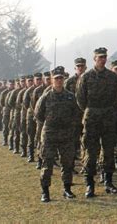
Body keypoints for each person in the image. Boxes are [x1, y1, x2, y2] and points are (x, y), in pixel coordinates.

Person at [76, 47, 117, 198]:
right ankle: (90, 184)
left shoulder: (112, 77)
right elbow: (81, 100)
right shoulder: (86, 77)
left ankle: (108, 182)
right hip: (92, 117)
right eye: (100, 57)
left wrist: (107, 110)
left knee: (109, 150)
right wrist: (92, 111)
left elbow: (116, 96)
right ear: (94, 59)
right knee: (91, 151)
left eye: (104, 57)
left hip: (108, 116)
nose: (103, 59)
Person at [34, 66, 79, 202]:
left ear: (64, 79)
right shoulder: (46, 96)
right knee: (47, 164)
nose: (59, 81)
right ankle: (45, 192)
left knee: (67, 163)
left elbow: (75, 114)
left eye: (61, 78)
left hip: (66, 134)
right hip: (50, 134)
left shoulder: (70, 97)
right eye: (56, 78)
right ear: (52, 80)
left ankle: (67, 189)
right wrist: (51, 124)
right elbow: (38, 114)